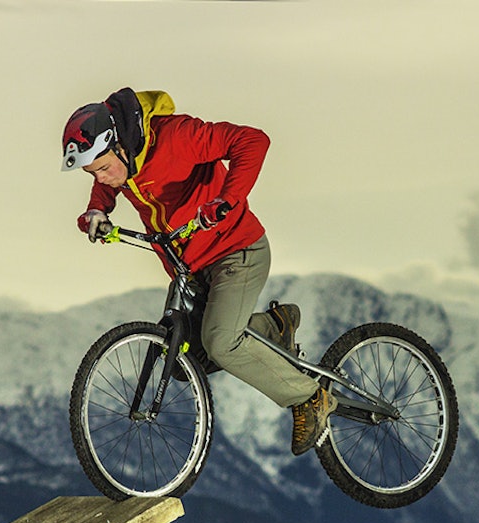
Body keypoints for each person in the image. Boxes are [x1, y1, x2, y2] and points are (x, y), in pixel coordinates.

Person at [60, 87, 336, 456]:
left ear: (121, 144)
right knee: (182, 357)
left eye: (104, 168)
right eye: (94, 173)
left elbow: (253, 140)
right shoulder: (123, 165)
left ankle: (309, 397)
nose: (104, 178)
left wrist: (227, 199)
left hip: (236, 252)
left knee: (221, 342)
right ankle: (274, 327)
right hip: (189, 270)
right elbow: (108, 184)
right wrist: (97, 210)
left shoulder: (177, 137)